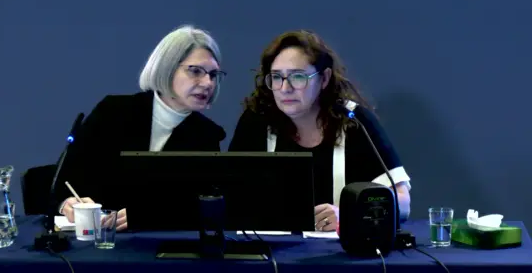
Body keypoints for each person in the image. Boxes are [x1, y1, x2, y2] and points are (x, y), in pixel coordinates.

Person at [228, 30, 411, 232]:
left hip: (339, 257)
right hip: (272, 253)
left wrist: (350, 213)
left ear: (324, 79)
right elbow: (229, 194)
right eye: (277, 77)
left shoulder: (353, 121)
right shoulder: (257, 121)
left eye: (298, 77)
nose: (285, 88)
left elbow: (403, 202)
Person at [54, 25, 227, 231]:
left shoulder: (207, 135)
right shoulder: (113, 112)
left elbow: (203, 209)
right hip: (97, 241)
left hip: (157, 248)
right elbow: (64, 181)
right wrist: (66, 203)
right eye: (196, 71)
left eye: (213, 75)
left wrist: (149, 215)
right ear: (167, 67)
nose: (208, 83)